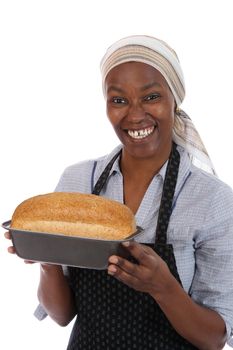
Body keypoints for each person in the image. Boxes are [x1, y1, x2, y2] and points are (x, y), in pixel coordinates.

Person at [5, 35, 233, 349]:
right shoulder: (78, 180)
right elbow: (61, 315)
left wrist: (163, 288)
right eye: (119, 100)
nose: (135, 115)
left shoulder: (213, 200)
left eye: (151, 96)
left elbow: (216, 338)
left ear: (174, 100)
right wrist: (47, 257)